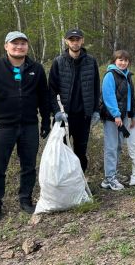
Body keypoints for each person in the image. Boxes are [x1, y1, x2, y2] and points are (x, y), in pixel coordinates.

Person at [0, 31, 50, 224]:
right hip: (2, 126)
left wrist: (46, 122)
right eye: (14, 43)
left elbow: (44, 97)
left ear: (27, 47)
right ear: (6, 46)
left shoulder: (36, 68)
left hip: (29, 125)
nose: (19, 47)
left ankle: (25, 200)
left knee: (29, 166)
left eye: (23, 43)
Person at [48, 28, 100, 173]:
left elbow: (96, 88)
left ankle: (80, 185)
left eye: (77, 39)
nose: (75, 42)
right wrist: (57, 112)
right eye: (72, 40)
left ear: (82, 41)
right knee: (61, 151)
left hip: (83, 116)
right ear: (66, 41)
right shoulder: (58, 62)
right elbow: (51, 90)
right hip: (64, 116)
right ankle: (63, 185)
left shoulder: (91, 61)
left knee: (81, 152)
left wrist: (95, 110)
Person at [100, 50, 135, 191]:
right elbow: (108, 96)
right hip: (112, 118)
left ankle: (113, 174)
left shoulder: (127, 75)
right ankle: (109, 179)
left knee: (118, 146)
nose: (123, 62)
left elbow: (130, 97)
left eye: (126, 60)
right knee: (111, 146)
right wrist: (116, 115)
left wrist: (132, 115)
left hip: (123, 116)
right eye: (120, 60)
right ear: (114, 61)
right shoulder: (110, 75)